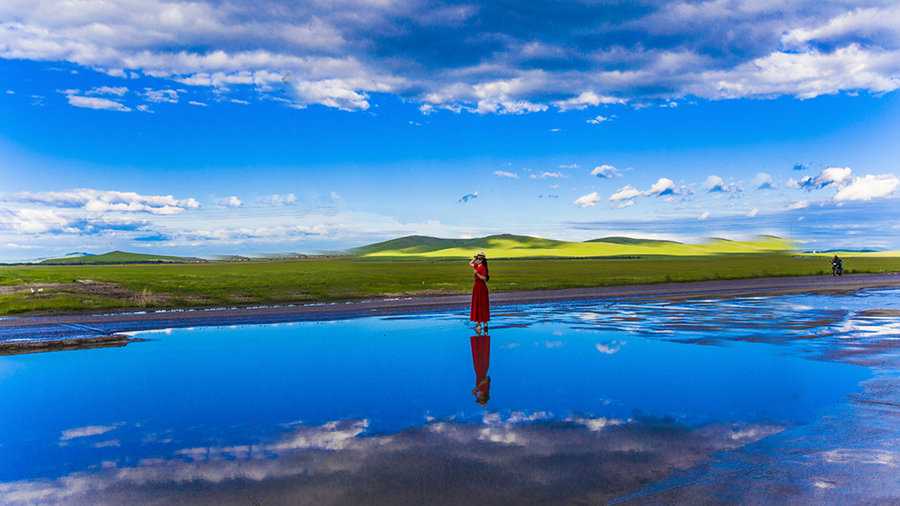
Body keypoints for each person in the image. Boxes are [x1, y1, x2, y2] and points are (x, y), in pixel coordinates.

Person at [469, 251, 490, 333]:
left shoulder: (483, 268)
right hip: (477, 287)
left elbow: (484, 278)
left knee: (482, 304)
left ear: (483, 260)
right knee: (478, 304)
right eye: (477, 259)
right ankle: (481, 324)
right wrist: (475, 258)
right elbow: (470, 263)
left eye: (479, 259)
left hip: (481, 287)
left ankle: (483, 323)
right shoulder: (477, 265)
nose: (478, 260)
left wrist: (477, 274)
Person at [470, 332, 491, 406]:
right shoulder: (484, 390)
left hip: (478, 370)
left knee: (477, 355)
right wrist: (477, 387)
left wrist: (476, 396)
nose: (480, 398)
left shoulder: (479, 391)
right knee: (482, 354)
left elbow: (474, 392)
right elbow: (485, 380)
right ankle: (482, 338)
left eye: (480, 399)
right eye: (481, 399)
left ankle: (478, 338)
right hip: (481, 370)